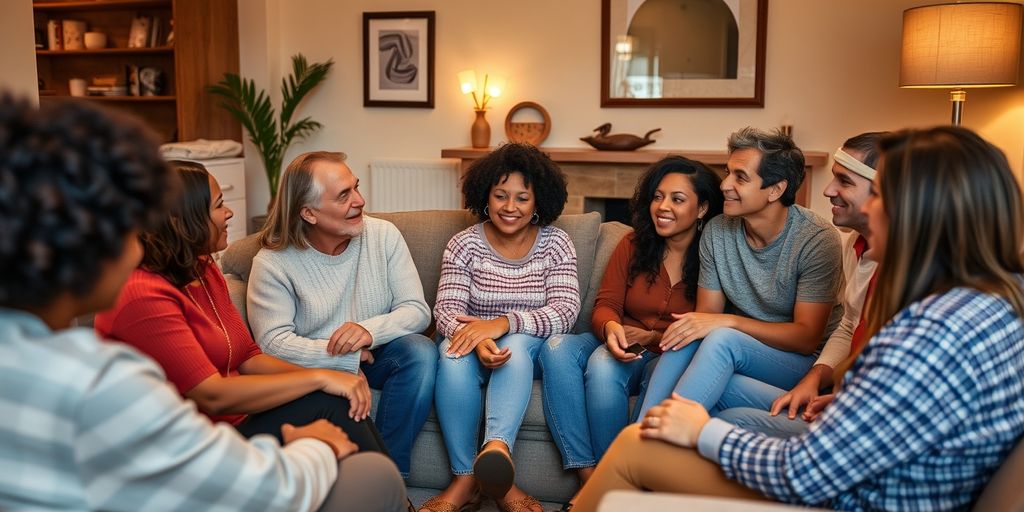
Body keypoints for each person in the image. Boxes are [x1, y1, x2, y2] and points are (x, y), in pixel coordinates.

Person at [572, 126, 1024, 511]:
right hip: (861, 476)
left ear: (923, 213)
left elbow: (807, 473)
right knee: (718, 396)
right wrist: (852, 402)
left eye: (880, 195)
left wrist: (703, 431)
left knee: (639, 448)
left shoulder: (930, 329)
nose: (865, 208)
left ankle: (646, 447)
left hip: (849, 497)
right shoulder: (988, 306)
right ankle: (656, 442)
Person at [0, 94, 406, 511]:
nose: (139, 235)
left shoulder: (201, 269)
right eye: (129, 221)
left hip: (219, 441)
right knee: (372, 475)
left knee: (342, 412)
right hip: (222, 441)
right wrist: (314, 441)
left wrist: (324, 378)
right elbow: (244, 472)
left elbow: (247, 354)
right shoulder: (106, 374)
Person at [95, 160, 389, 457]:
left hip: (236, 421)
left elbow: (249, 357)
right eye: (219, 205)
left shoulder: (202, 268)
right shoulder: (140, 294)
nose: (230, 212)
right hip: (189, 440)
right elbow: (213, 396)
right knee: (328, 401)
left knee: (337, 398)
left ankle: (389, 496)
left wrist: (334, 378)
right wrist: (321, 376)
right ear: (183, 220)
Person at [247, 151, 437, 480]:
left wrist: (367, 331)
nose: (360, 201)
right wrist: (343, 362)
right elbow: (271, 343)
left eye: (356, 187)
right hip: (317, 364)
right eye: (344, 195)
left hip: (379, 354)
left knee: (420, 352)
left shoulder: (383, 236)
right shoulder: (273, 263)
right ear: (308, 213)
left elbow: (417, 311)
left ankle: (388, 477)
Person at [538, 156, 723, 486]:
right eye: (658, 196)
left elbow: (707, 327)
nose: (663, 207)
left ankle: (617, 481)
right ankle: (589, 475)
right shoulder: (633, 244)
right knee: (555, 348)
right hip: (617, 340)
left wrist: (651, 338)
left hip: (667, 355)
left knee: (603, 366)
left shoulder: (716, 256)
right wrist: (611, 329)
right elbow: (606, 304)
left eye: (677, 199)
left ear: (703, 208)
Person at [637, 127, 843, 418]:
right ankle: (641, 437)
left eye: (740, 177)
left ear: (776, 189)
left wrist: (730, 322)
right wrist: (714, 325)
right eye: (728, 172)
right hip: (736, 351)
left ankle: (647, 441)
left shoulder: (816, 239)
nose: (724, 185)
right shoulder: (717, 231)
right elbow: (704, 320)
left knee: (722, 337)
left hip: (799, 361)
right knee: (686, 335)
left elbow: (806, 337)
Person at [426, 143, 580, 512]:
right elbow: (446, 310)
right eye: (500, 196)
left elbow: (566, 311)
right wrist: (476, 341)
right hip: (472, 347)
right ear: (485, 196)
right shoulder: (464, 244)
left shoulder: (556, 244)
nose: (510, 208)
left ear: (538, 200)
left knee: (517, 340)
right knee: (450, 353)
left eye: (522, 198)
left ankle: (496, 449)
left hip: (528, 351)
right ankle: (469, 479)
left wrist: (501, 324)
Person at [716, 132, 884, 437]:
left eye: (844, 182)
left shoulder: (909, 272)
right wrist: (814, 380)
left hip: (861, 415)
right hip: (837, 393)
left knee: (731, 408)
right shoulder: (853, 246)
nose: (827, 191)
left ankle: (645, 451)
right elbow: (848, 325)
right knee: (723, 395)